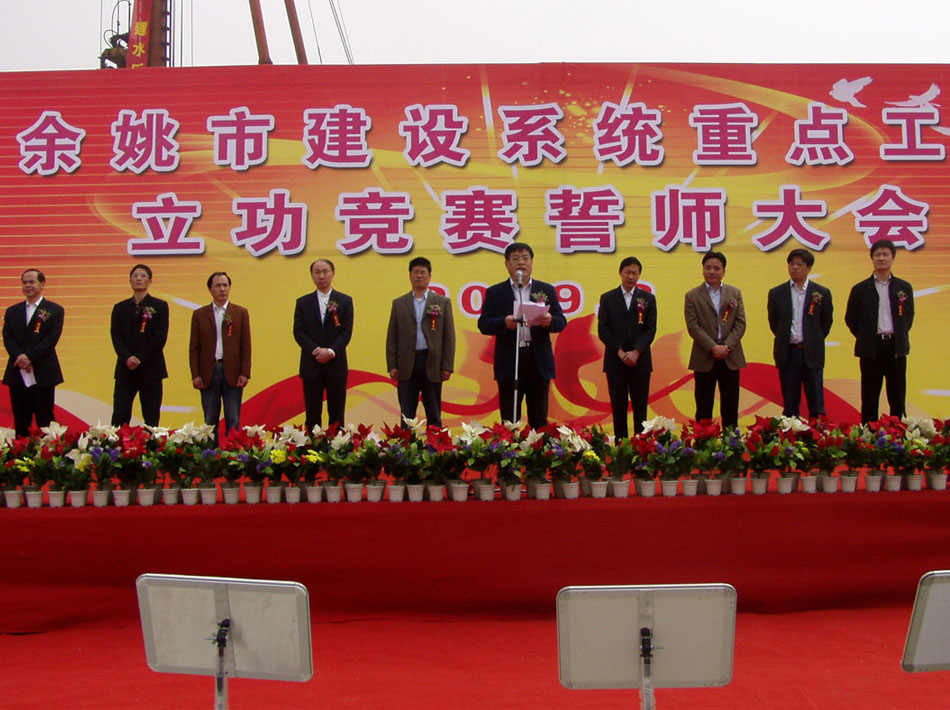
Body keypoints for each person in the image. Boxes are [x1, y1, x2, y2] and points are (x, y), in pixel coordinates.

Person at [477, 242, 567, 429]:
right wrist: (504, 322)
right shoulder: (495, 292)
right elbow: (483, 324)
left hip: (537, 359)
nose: (521, 263)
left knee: (539, 418)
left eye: (525, 258)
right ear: (507, 264)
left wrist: (550, 320)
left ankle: (538, 447)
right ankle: (510, 447)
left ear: (532, 262)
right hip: (509, 360)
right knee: (510, 419)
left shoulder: (546, 290)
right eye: (516, 259)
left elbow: (561, 321)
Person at [845, 239, 914, 422]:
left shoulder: (903, 288)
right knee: (869, 397)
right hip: (871, 349)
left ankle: (898, 433)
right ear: (872, 258)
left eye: (885, 254)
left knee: (897, 396)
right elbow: (851, 319)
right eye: (877, 255)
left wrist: (898, 335)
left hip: (895, 348)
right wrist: (866, 337)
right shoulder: (860, 289)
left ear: (893, 258)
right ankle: (869, 435)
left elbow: (908, 317)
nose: (881, 258)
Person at [385, 257, 456, 427]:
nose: (419, 276)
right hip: (406, 364)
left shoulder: (442, 302)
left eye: (423, 272)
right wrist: (392, 365)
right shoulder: (399, 303)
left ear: (430, 276)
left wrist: (447, 366)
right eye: (415, 272)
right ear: (410, 275)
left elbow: (449, 337)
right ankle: (407, 444)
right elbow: (392, 337)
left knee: (434, 411)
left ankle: (435, 442)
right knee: (407, 413)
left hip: (432, 363)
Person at [766, 249, 833, 419]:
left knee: (816, 403)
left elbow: (825, 323)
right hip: (788, 353)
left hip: (812, 353)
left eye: (799, 264)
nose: (795, 268)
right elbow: (774, 323)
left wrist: (812, 339)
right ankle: (791, 433)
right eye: (792, 264)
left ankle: (818, 432)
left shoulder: (821, 293)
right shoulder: (777, 293)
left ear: (809, 268)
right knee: (790, 404)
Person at [684, 251, 746, 429]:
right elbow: (693, 326)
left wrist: (726, 346)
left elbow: (740, 323)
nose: (712, 271)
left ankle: (731, 441)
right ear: (702, 270)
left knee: (730, 405)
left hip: (730, 357)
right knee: (703, 406)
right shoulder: (692, 295)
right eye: (708, 268)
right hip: (704, 356)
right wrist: (713, 347)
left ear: (723, 271)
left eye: (716, 268)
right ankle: (704, 442)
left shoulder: (734, 293)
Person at [597, 256, 656, 438]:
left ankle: (641, 447)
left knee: (640, 409)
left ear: (639, 275)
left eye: (635, 273)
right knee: (618, 408)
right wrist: (621, 352)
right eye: (627, 272)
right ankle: (621, 448)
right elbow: (603, 330)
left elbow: (650, 330)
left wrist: (636, 351)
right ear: (620, 273)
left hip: (640, 361)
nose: (631, 276)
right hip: (616, 361)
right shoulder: (608, 298)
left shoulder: (648, 298)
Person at [189, 272, 251, 443]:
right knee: (210, 420)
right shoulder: (200, 314)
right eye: (218, 285)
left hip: (233, 373)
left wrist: (244, 373)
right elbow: (194, 348)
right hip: (208, 372)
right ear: (210, 289)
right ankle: (211, 454)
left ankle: (232, 453)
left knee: (233, 418)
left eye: (225, 285)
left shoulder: (240, 312)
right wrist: (196, 375)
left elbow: (246, 346)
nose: (222, 289)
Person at [2, 269, 64, 438]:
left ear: (42, 284)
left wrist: (29, 357)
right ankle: (21, 452)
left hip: (43, 372)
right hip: (18, 372)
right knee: (21, 420)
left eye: (32, 282)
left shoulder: (54, 310)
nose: (27, 285)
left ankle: (48, 453)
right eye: (24, 282)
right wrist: (20, 357)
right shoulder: (13, 311)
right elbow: (8, 337)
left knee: (45, 421)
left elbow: (50, 339)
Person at [294, 258, 353, 432]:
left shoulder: (345, 301)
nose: (321, 276)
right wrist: (315, 350)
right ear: (312, 275)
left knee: (336, 414)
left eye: (325, 271)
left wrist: (331, 351)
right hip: (311, 365)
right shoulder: (303, 302)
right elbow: (299, 332)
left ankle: (337, 446)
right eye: (317, 272)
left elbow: (346, 332)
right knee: (312, 414)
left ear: (333, 273)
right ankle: (313, 447)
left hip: (336, 365)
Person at [110, 264, 169, 427]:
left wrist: (140, 358)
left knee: (151, 415)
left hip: (151, 368)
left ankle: (150, 442)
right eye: (135, 276)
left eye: (143, 276)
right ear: (130, 281)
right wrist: (127, 357)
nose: (138, 279)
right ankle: (118, 442)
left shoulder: (159, 306)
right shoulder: (120, 308)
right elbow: (116, 336)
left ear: (150, 281)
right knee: (120, 413)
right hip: (125, 368)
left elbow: (160, 338)